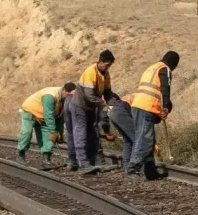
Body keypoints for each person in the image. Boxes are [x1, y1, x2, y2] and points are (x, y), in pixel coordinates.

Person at [125, 51, 179, 179]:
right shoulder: (164, 69)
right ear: (173, 63)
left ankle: (150, 171)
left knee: (145, 139)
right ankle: (133, 169)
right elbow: (165, 88)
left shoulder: (152, 67)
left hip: (137, 105)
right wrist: (165, 107)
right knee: (145, 140)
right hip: (147, 106)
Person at [67, 50, 118, 174]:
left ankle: (95, 162)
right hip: (80, 106)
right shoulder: (91, 72)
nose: (108, 67)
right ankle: (83, 164)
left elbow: (108, 93)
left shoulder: (106, 74)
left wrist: (114, 105)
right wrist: (104, 106)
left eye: (109, 65)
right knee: (81, 133)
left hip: (90, 108)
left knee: (93, 134)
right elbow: (89, 96)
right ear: (100, 62)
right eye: (106, 64)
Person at [17, 83, 76, 169]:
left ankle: (46, 159)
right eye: (67, 95)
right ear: (63, 90)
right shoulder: (50, 96)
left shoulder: (66, 100)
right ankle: (20, 154)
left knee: (47, 136)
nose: (68, 98)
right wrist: (53, 131)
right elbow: (49, 115)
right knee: (27, 132)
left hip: (43, 116)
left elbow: (60, 118)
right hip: (30, 111)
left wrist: (59, 133)